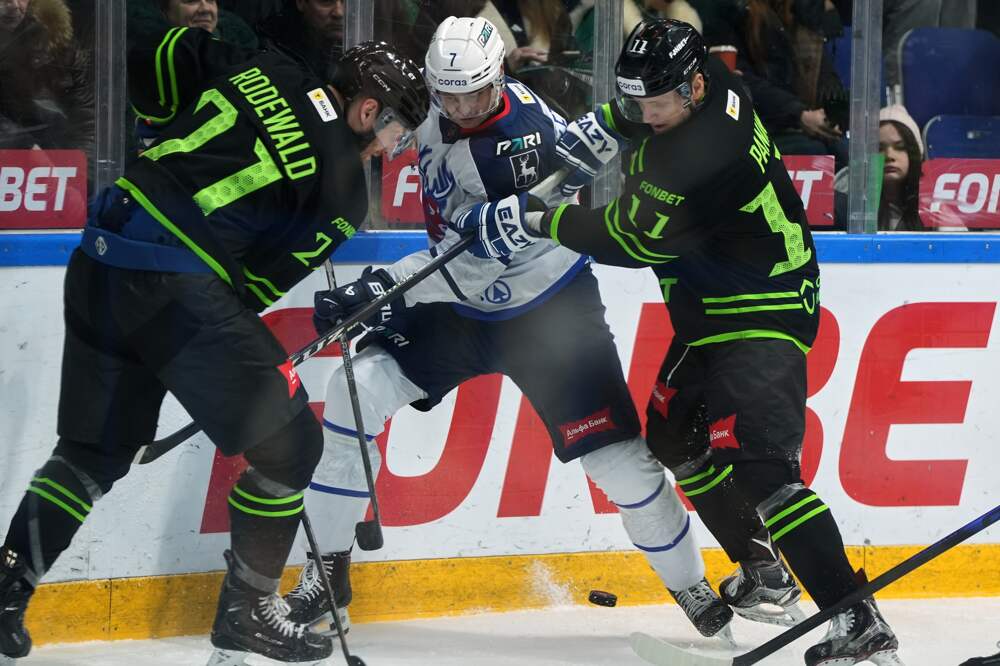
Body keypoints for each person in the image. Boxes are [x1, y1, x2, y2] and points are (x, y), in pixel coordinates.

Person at [284, 14, 739, 643]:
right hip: (460, 311)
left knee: (620, 465)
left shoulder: (517, 147)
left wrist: (379, 290)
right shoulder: (442, 99)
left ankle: (690, 585)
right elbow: (379, 121)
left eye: (475, 95)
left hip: (547, 313)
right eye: (449, 96)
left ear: (498, 78)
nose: (461, 109)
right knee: (353, 389)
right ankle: (327, 571)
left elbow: (473, 264)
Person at [469, 19, 903, 665]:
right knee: (675, 437)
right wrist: (609, 121)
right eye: (638, 101)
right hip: (714, 307)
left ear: (694, 87)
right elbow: (638, 114)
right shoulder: (706, 84)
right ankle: (764, 571)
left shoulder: (699, 151)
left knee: (763, 469)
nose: (648, 114)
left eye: (656, 104)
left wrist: (535, 220)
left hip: (762, 311)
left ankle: (857, 621)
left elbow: (628, 238)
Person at [0, 28, 428, 666]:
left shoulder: (267, 63)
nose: (392, 149)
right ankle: (246, 609)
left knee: (93, 451)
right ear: (369, 110)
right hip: (173, 283)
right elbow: (250, 289)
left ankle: (7, 588)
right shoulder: (343, 191)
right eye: (396, 132)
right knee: (290, 444)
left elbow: (161, 57)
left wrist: (162, 139)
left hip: (100, 253)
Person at [0, 0, 94, 161]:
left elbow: (88, 117)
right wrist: (25, 146)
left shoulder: (59, 43)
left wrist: (83, 170)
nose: (13, 4)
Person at [834, 105, 927, 231]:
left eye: (900, 147)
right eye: (879, 149)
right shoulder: (846, 197)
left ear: (914, 154)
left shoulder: (932, 206)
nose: (889, 156)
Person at [257, 0, 345, 78]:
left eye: (349, 2)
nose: (339, 13)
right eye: (325, 1)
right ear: (300, 2)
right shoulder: (271, 52)